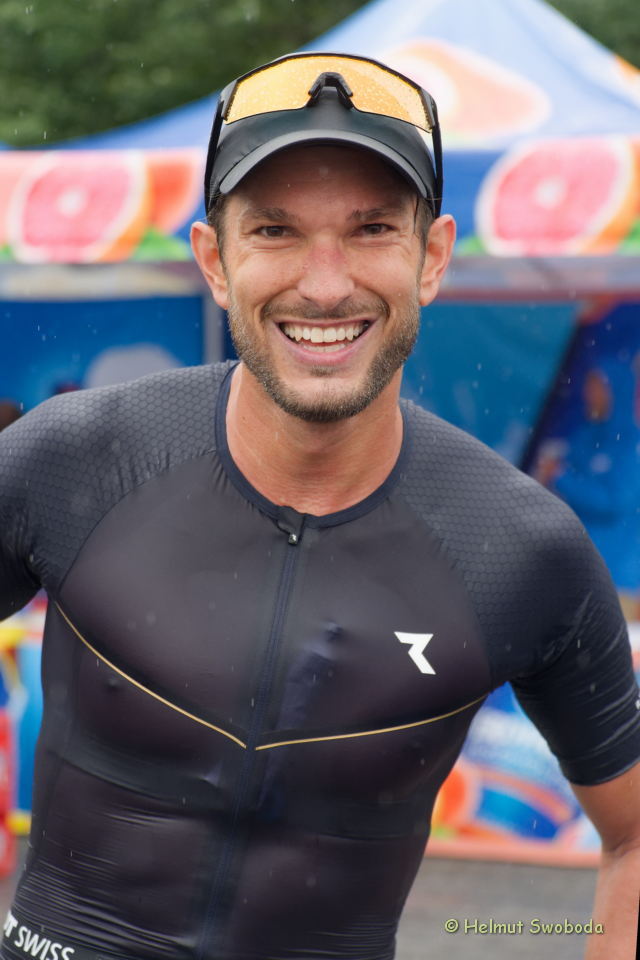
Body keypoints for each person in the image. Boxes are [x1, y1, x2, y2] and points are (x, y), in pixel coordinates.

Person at [0, 52, 638, 960]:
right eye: (276, 231)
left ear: (433, 257)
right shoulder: (73, 459)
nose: (327, 284)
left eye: (372, 229)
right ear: (216, 261)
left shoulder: (522, 549)